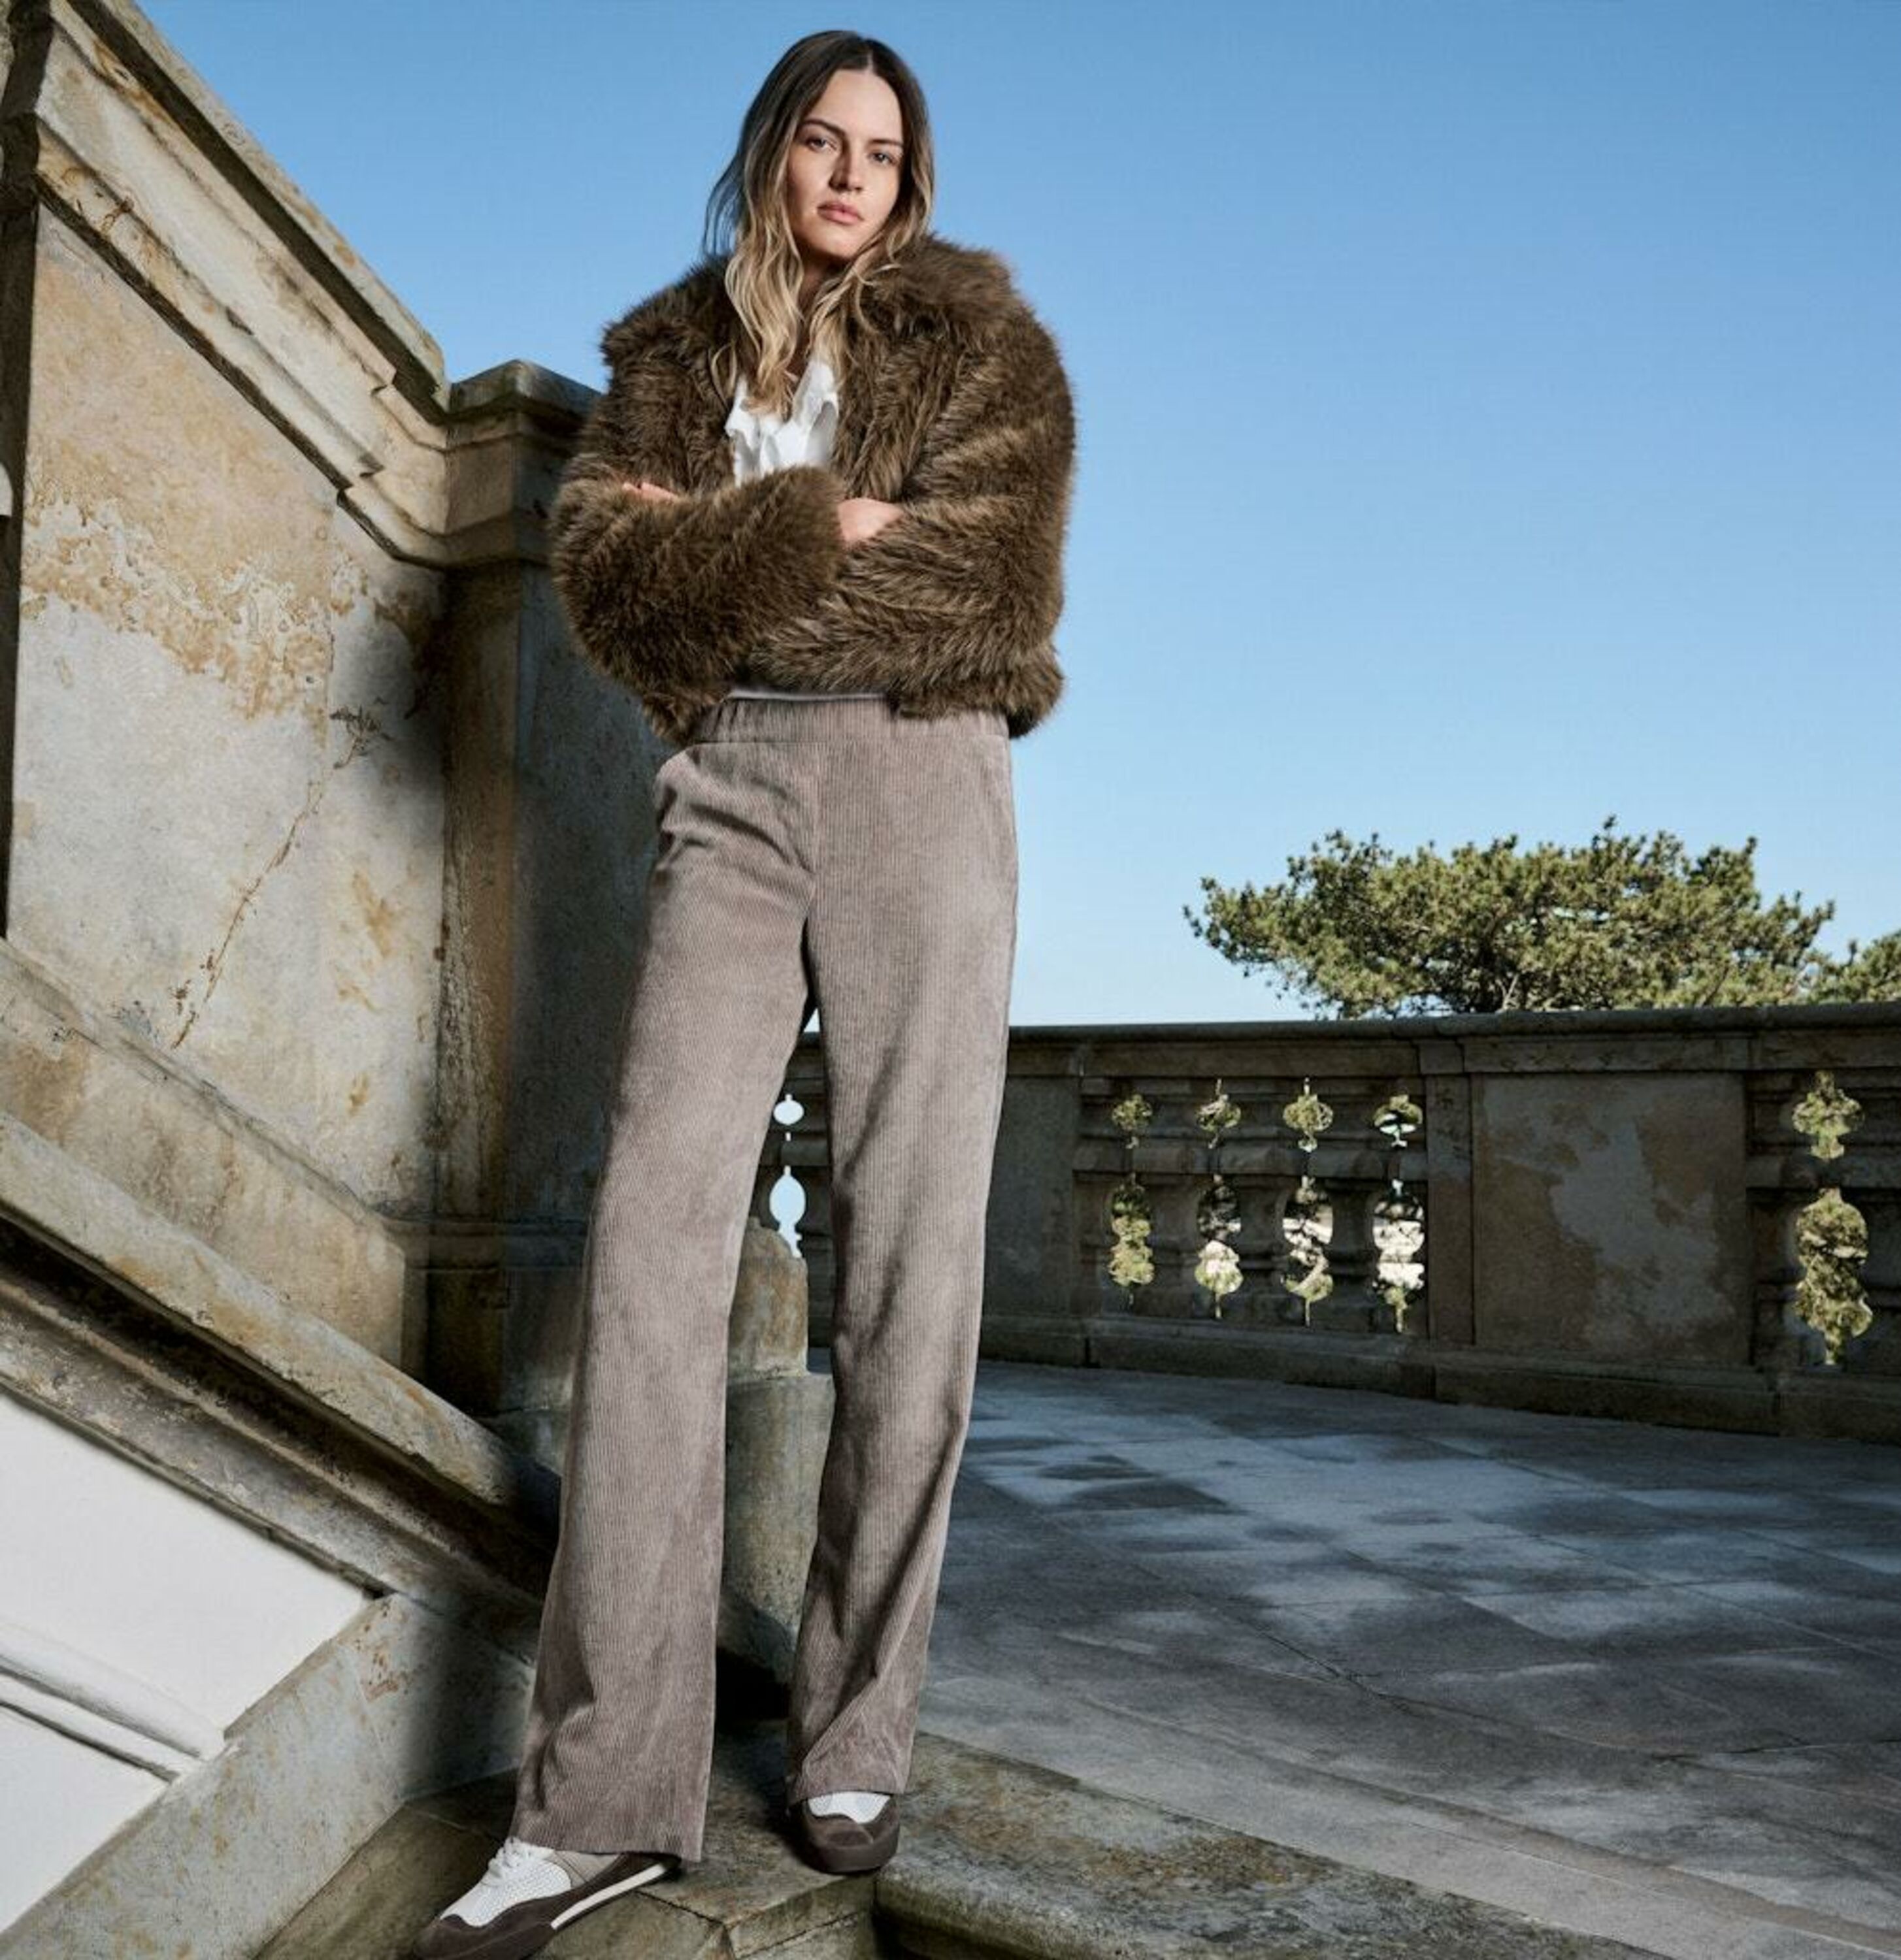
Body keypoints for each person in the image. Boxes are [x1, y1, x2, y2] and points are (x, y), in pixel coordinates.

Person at [413, 26, 1075, 1959]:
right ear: (773, 153)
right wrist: (820, 525)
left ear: (911, 178)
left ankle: (856, 1738)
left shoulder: (986, 346)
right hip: (731, 788)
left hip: (928, 777)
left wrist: (731, 559)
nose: (853, 175)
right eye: (822, 140)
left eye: (884, 149)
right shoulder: (672, 357)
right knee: (649, 1249)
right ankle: (598, 1800)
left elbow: (995, 590)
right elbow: (610, 585)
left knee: (908, 1259)